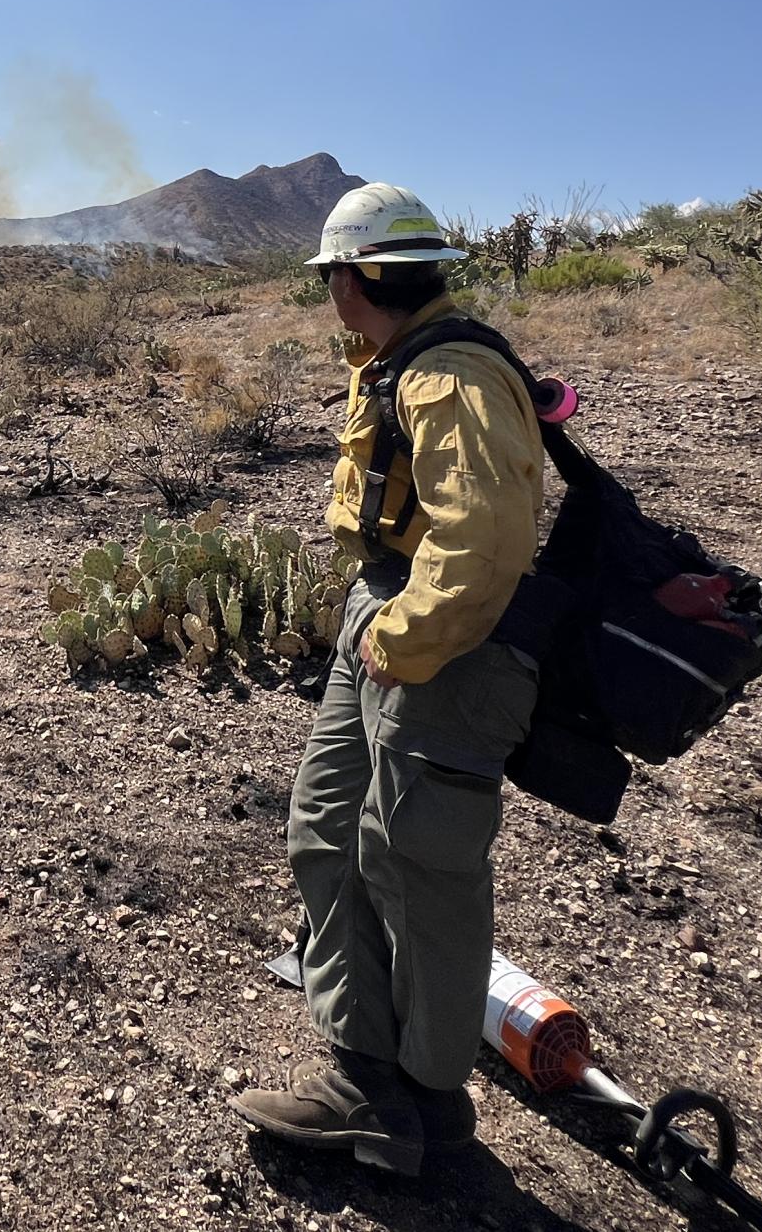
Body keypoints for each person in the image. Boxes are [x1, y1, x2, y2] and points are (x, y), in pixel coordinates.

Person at [231, 182, 546, 1177]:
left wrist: (402, 638)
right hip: (394, 618)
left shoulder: (444, 377)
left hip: (441, 644)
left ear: (364, 277)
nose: (329, 295)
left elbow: (485, 541)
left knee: (416, 867)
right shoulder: (405, 364)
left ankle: (420, 1098)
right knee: (328, 833)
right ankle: (362, 1071)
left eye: (333, 276)